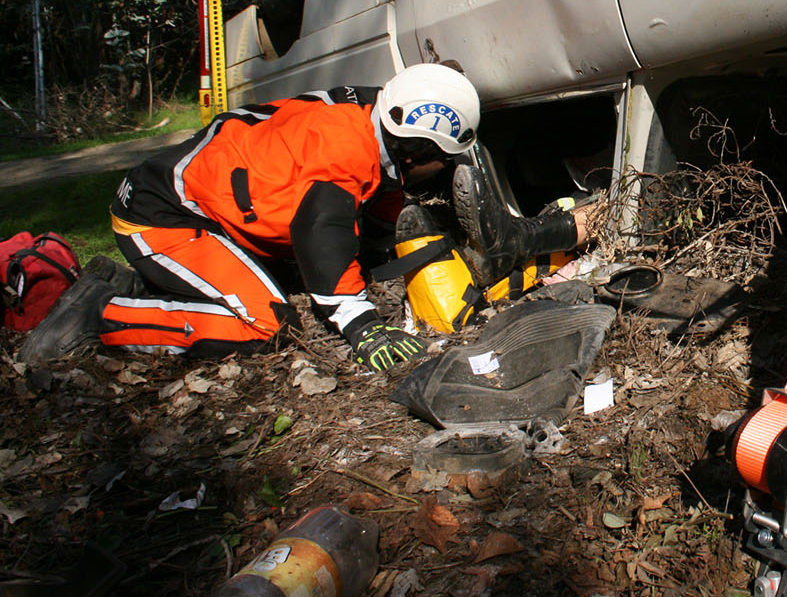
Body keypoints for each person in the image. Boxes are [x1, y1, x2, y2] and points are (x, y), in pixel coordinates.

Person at [19, 64, 482, 370]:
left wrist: (385, 242)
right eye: (444, 158)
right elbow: (322, 231)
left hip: (199, 201)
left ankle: (140, 283)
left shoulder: (365, 110)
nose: (443, 168)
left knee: (274, 282)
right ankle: (102, 315)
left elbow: (382, 191)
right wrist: (359, 322)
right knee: (266, 325)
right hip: (166, 218)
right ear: (419, 147)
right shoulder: (343, 156)